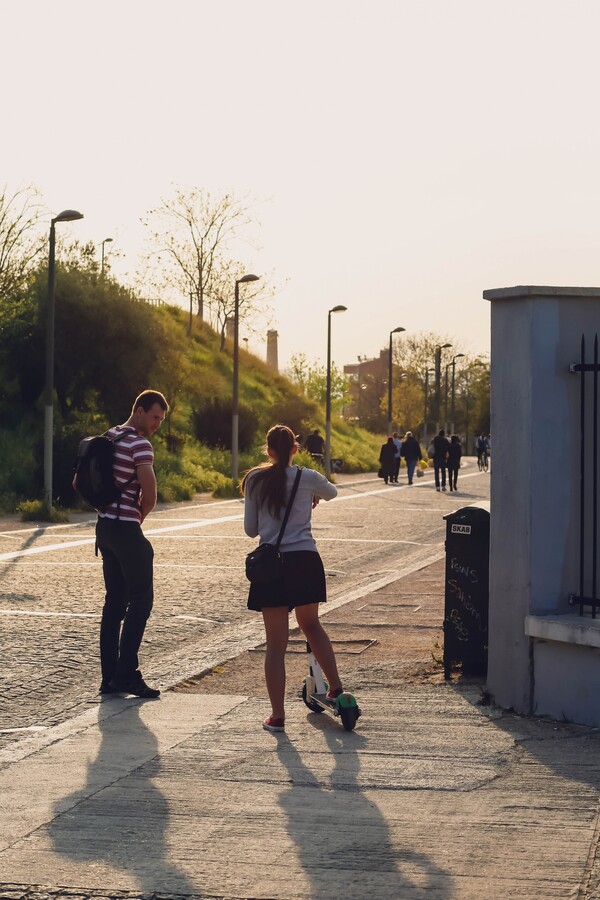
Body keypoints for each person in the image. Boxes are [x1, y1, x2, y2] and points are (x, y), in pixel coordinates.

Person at [242, 424, 343, 732]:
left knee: (276, 645)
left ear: (268, 450)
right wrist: (312, 498)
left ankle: (277, 716)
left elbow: (251, 530)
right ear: (296, 449)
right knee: (311, 625)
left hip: (272, 566)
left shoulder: (255, 479)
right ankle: (336, 688)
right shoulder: (307, 478)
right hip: (305, 561)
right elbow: (333, 492)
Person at [96, 389, 169, 699]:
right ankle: (127, 674)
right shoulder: (140, 445)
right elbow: (150, 496)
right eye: (154, 417)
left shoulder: (109, 436)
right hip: (125, 529)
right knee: (141, 601)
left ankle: (109, 677)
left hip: (103, 529)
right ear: (139, 410)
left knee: (114, 603)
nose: (157, 425)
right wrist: (135, 519)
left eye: (161, 420)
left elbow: (78, 482)